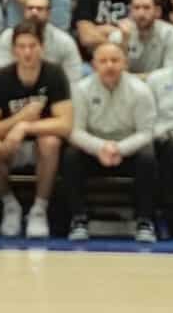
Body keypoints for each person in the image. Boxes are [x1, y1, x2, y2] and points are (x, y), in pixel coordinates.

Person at [0, 21, 74, 238]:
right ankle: (10, 205)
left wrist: (24, 126)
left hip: (39, 144)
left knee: (51, 141)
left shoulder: (54, 75)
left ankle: (39, 209)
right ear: (13, 50)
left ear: (42, 47)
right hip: (9, 146)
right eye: (21, 46)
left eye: (32, 46)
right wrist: (18, 119)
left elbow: (65, 124)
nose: (27, 52)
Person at [59, 36, 160, 245]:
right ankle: (78, 219)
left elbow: (147, 132)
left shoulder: (141, 91)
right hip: (94, 149)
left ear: (124, 63)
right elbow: (75, 131)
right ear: (94, 65)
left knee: (148, 156)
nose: (109, 66)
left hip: (128, 149)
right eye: (103, 61)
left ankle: (144, 221)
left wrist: (119, 149)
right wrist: (100, 148)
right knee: (70, 156)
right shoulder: (81, 89)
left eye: (115, 60)